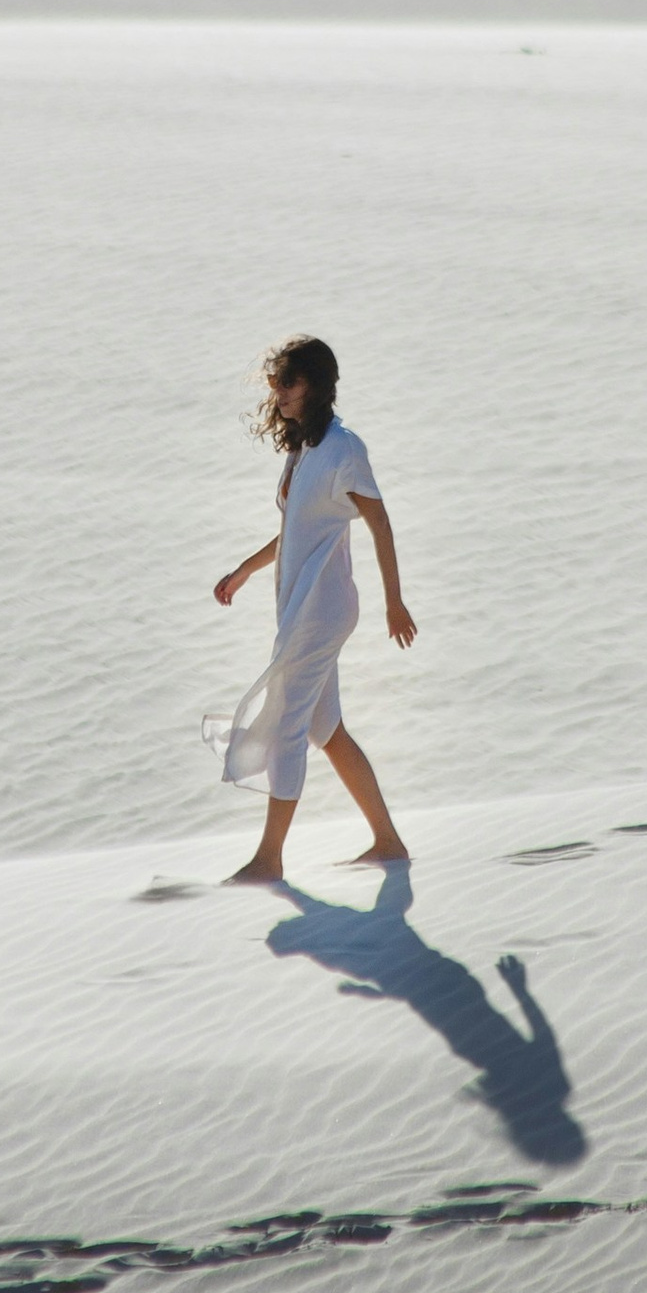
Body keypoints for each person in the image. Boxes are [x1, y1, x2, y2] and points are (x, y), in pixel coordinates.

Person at [209, 335, 414, 883]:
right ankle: (388, 842)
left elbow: (380, 522)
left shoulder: (344, 449)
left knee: (288, 728)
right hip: (300, 606)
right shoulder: (304, 450)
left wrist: (394, 602)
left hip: (321, 610)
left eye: (288, 382)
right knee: (327, 729)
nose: (277, 391)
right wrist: (245, 570)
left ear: (315, 387)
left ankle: (269, 859)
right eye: (274, 381)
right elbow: (295, 529)